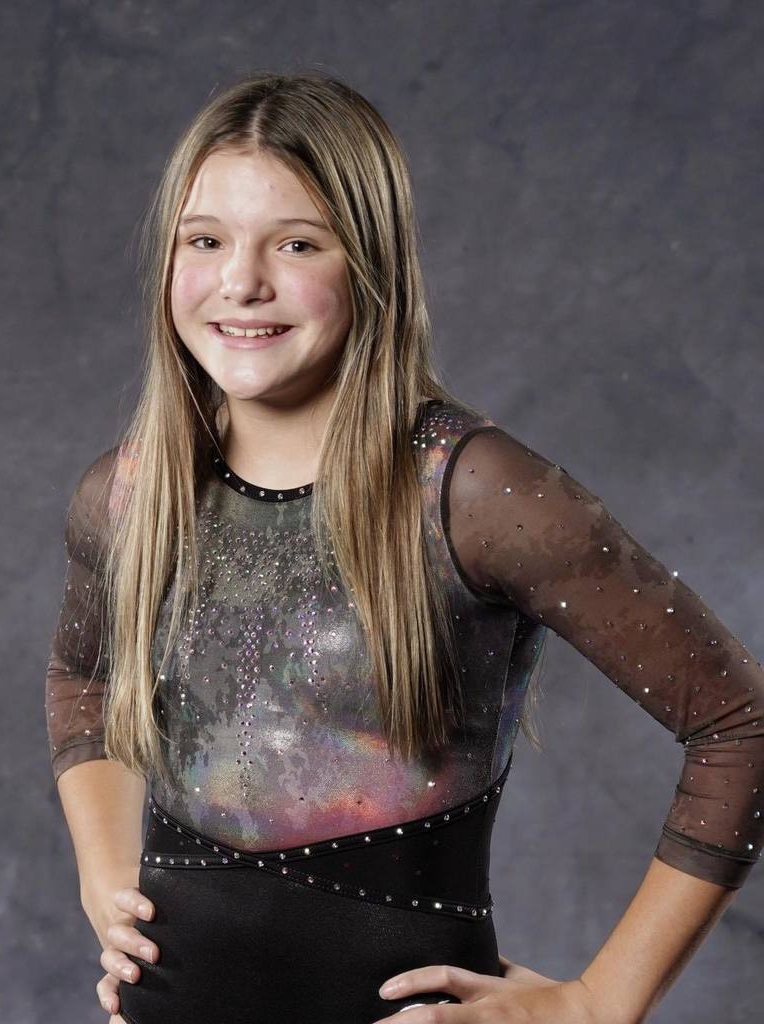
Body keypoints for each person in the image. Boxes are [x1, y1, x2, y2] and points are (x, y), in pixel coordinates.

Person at [44, 71, 764, 1024]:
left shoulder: (471, 494)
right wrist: (106, 875)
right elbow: (81, 677)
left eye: (296, 243)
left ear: (370, 263)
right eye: (205, 240)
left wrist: (598, 1003)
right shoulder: (131, 492)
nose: (241, 282)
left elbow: (739, 724)